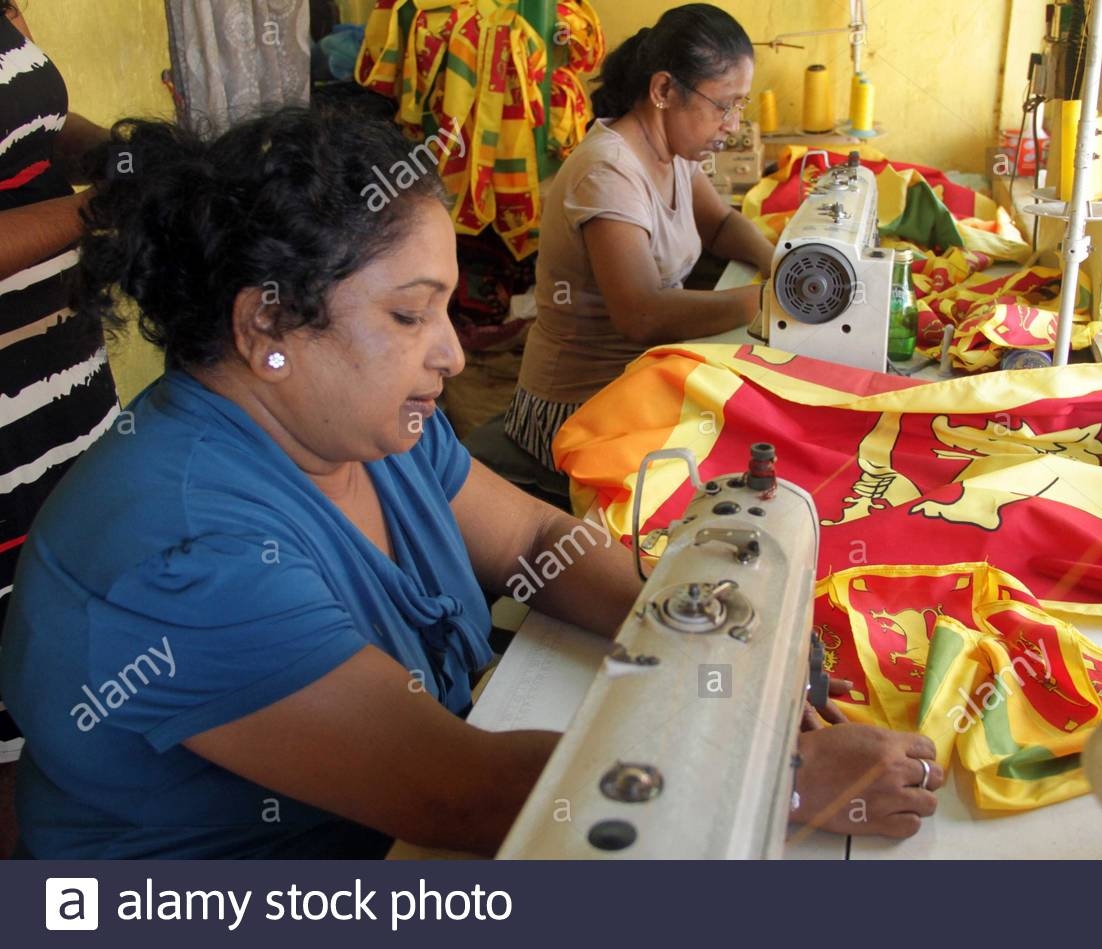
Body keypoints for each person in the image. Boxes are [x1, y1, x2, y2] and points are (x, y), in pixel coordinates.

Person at [0, 107, 941, 858]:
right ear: (265, 327)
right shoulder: (182, 553)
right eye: (412, 315)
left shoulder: (363, 427)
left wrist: (706, 633)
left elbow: (538, 544)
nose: (453, 352)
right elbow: (466, 791)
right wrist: (787, 781)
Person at [506, 3, 774, 470]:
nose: (732, 124)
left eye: (740, 105)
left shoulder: (676, 150)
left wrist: (780, 265)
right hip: (578, 412)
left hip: (635, 386)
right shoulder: (609, 170)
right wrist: (770, 301)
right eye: (723, 105)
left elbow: (721, 224)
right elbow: (642, 314)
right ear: (664, 89)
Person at [0, 0, 119, 778]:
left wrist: (123, 155)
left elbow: (33, 125)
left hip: (63, 372)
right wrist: (101, 206)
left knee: (82, 614)